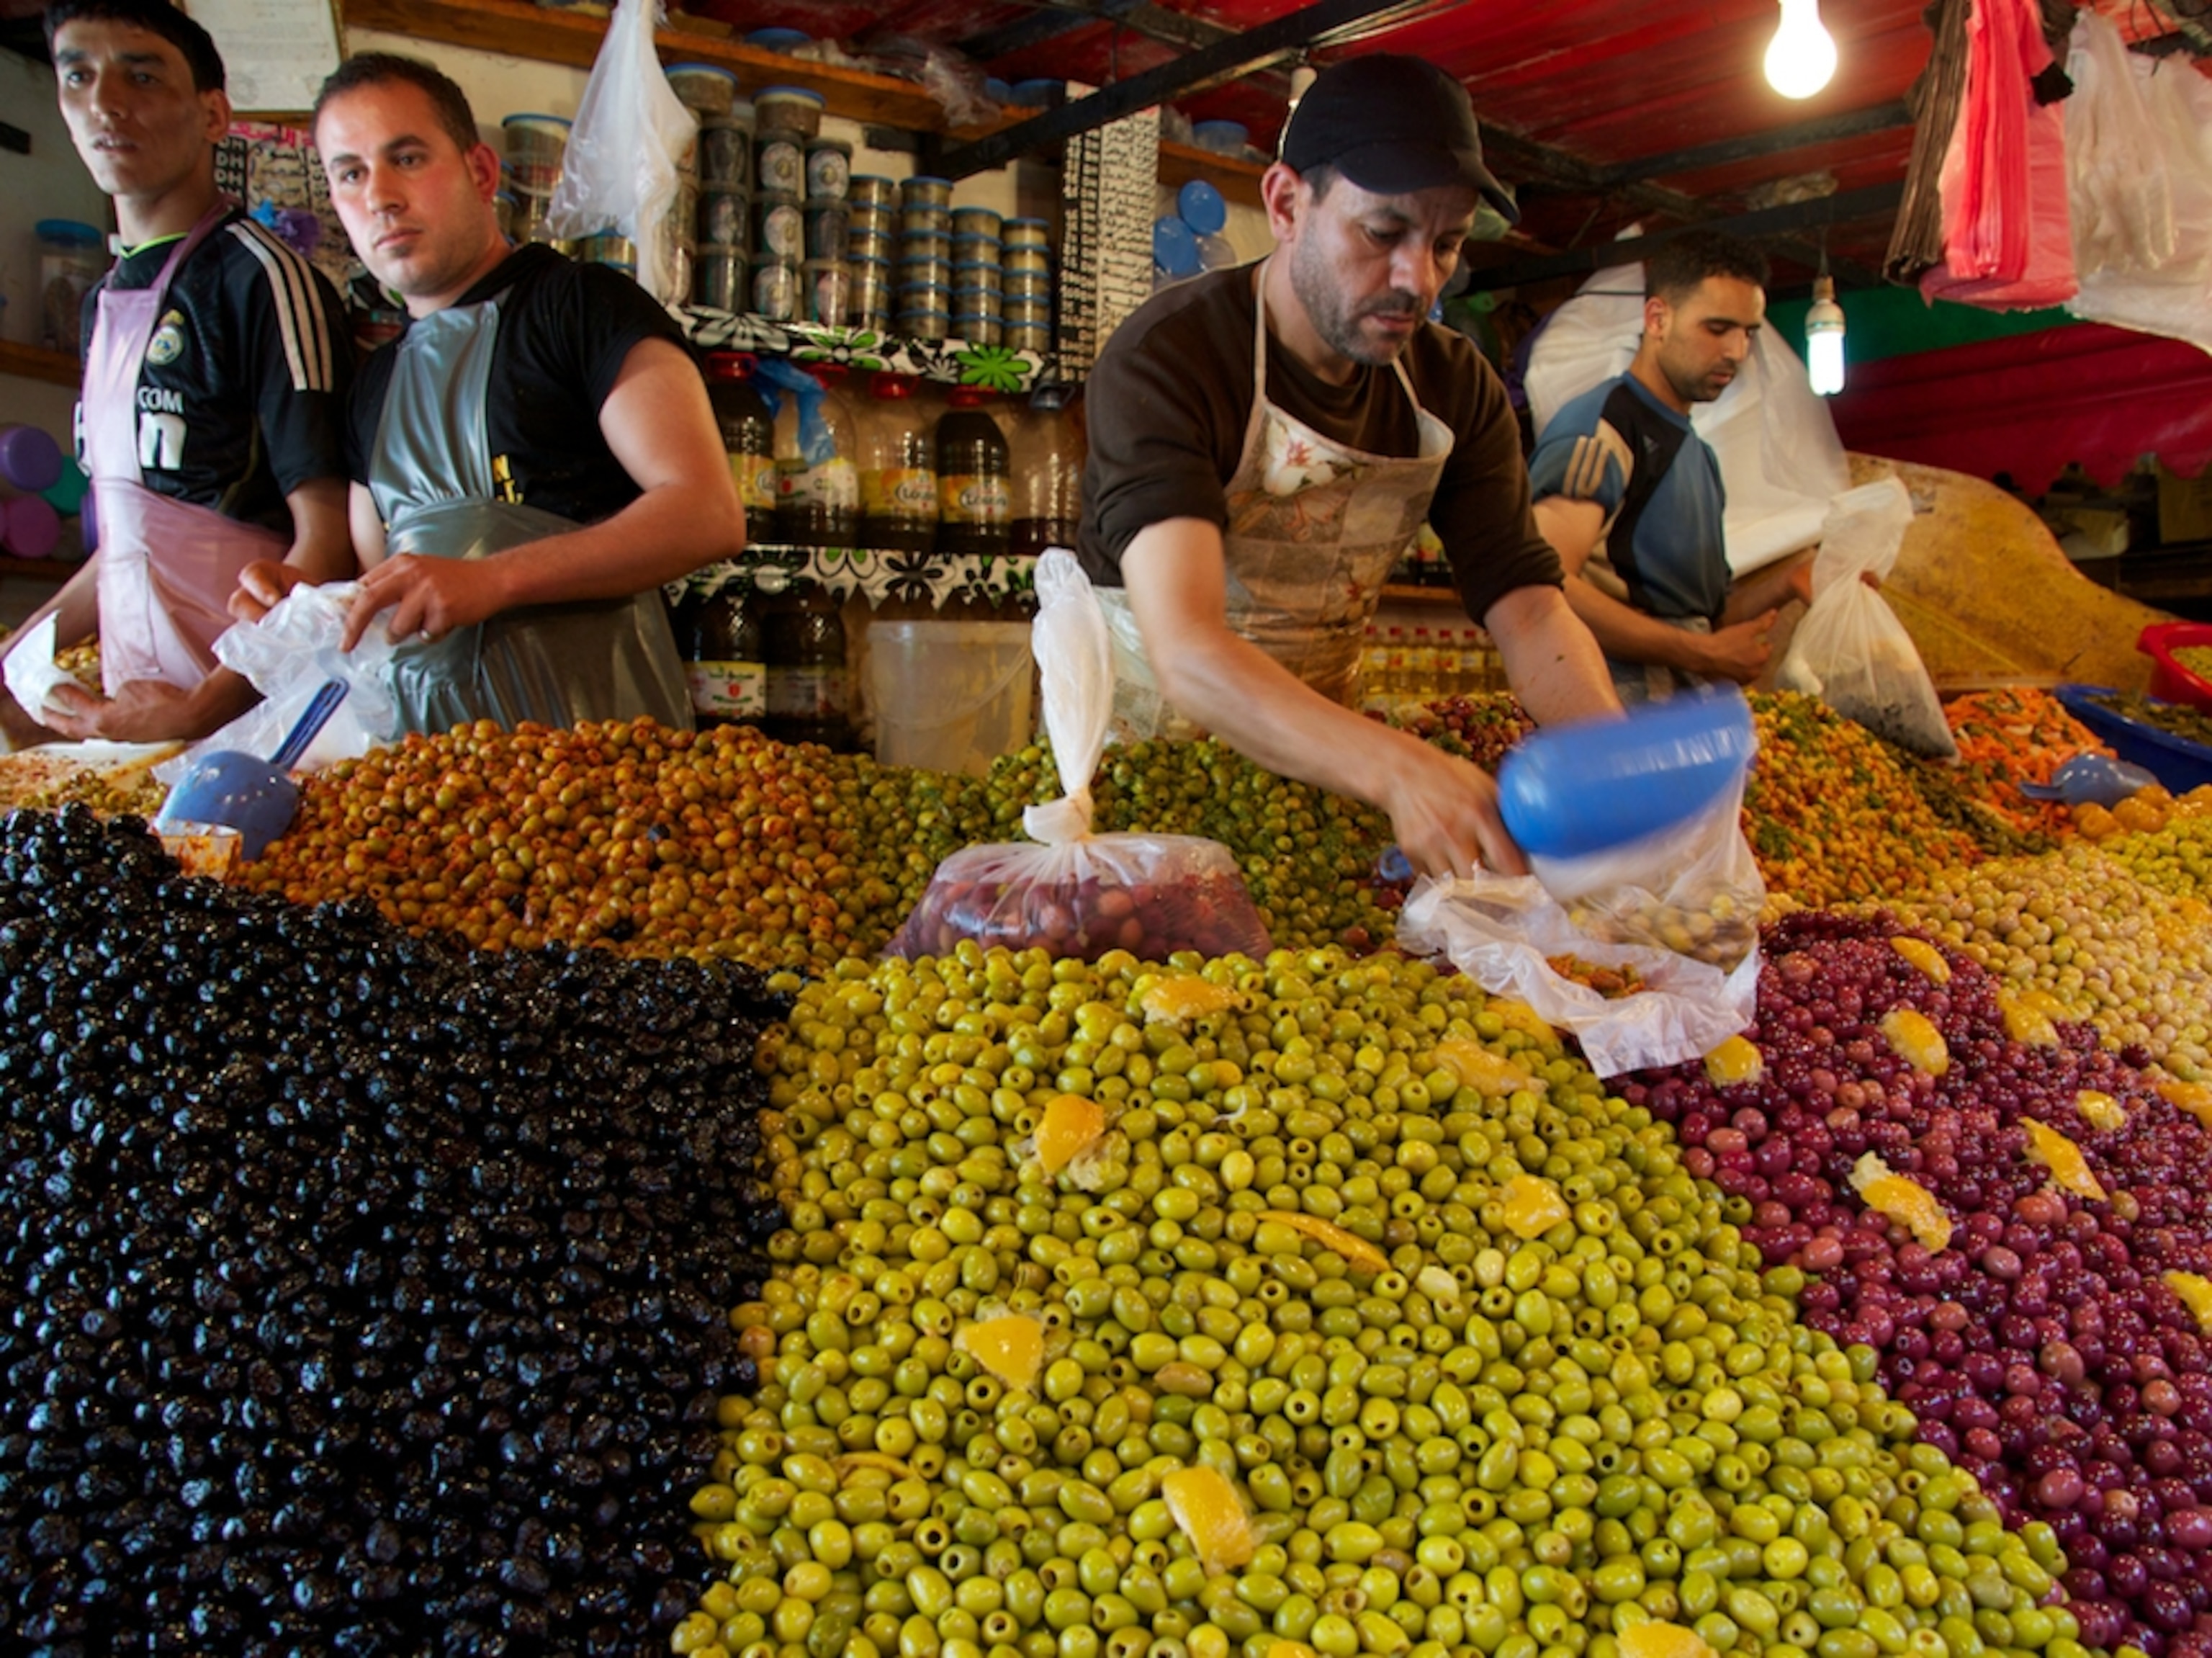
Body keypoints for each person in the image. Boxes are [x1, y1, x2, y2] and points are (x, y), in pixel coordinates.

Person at [1076, 55, 1619, 881]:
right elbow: (1187, 648)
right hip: (1135, 794)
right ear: (1286, 204)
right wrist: (1400, 769)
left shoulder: (1454, 385)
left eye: (1447, 243)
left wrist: (1613, 761)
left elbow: (1531, 608)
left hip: (1323, 793)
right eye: (1383, 233)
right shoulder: (1170, 359)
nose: (1418, 280)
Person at [238, 52, 742, 734]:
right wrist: (309, 608)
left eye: (407, 159)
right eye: (351, 173)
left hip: (604, 769)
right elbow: (383, 590)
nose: (380, 196)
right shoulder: (373, 386)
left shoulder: (582, 307)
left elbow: (706, 513)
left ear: (480, 171)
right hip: (434, 775)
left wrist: (490, 578)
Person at [1, 0, 354, 746]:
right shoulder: (102, 303)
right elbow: (128, 549)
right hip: (139, 718)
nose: (106, 104)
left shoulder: (261, 279)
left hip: (260, 727)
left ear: (213, 114)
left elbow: (329, 545)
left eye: (142, 77)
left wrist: (200, 711)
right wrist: (18, 661)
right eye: (78, 77)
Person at [1529, 231, 1818, 704]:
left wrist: (1789, 583)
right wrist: (1701, 654)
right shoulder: (1602, 431)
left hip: (1686, 714)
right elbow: (1546, 583)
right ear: (1657, 318)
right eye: (1717, 329)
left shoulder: (1698, 455)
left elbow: (1703, 621)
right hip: (1611, 715)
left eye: (1748, 333)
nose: (1736, 351)